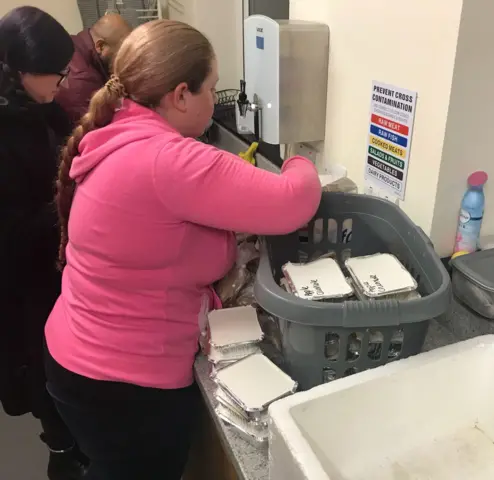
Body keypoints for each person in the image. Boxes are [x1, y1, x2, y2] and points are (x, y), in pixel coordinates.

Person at [44, 19, 321, 480]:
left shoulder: (120, 132)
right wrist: (300, 158)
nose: (215, 100)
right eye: (211, 89)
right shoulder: (167, 160)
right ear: (179, 95)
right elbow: (296, 200)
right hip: (122, 384)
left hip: (78, 361)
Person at [0, 6, 88, 480]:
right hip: (22, 281)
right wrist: (65, 199)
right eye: (54, 73)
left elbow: (68, 133)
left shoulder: (39, 105)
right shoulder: (6, 129)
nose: (62, 81)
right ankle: (62, 447)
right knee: (42, 370)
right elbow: (9, 238)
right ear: (19, 68)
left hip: (51, 266)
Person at [55, 13, 132, 124]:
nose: (125, 59)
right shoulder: (81, 83)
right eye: (122, 52)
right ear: (100, 46)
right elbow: (97, 132)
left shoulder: (73, 43)